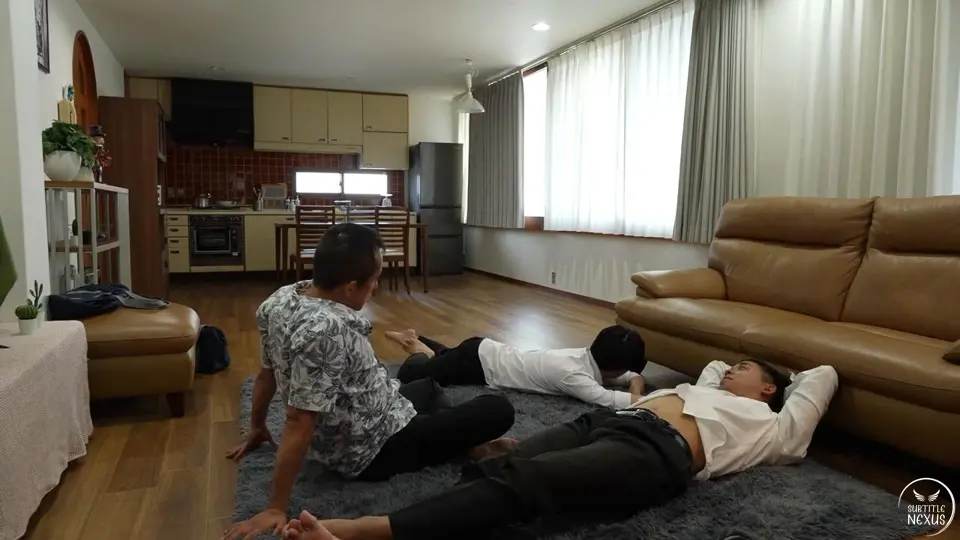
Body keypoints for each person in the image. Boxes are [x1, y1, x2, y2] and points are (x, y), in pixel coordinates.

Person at [280, 358, 839, 540]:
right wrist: (728, 373)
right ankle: (437, 522)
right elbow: (714, 366)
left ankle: (366, 531)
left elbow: (824, 376)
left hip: (656, 453)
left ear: (769, 389)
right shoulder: (705, 385)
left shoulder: (772, 425)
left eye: (747, 368)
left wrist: (787, 379)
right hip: (605, 422)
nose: (730, 368)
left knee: (526, 484)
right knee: (503, 464)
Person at [222, 223, 516, 540]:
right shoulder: (326, 331)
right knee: (498, 409)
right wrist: (275, 507)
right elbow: (299, 420)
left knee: (429, 387)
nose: (376, 286)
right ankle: (465, 446)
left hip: (378, 407)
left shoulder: (279, 300)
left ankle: (462, 443)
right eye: (374, 279)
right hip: (373, 449)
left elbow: (267, 372)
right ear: (351, 288)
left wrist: (257, 425)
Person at [385, 325, 648, 408]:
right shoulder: (575, 377)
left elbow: (631, 377)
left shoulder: (584, 356)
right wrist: (636, 392)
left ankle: (418, 339)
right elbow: (623, 400)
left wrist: (633, 383)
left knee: (445, 357)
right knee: (413, 375)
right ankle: (414, 346)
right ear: (615, 367)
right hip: (478, 365)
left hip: (481, 350)